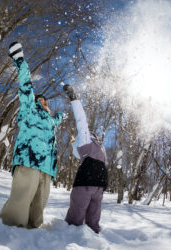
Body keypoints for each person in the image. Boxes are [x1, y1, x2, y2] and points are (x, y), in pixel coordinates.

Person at [0, 42, 63, 229]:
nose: (45, 103)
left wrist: (60, 116)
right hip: (29, 160)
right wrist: (20, 61)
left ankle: (34, 234)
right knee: (20, 202)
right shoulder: (29, 111)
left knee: (38, 208)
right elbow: (26, 88)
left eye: (46, 102)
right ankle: (3, 231)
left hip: (47, 168)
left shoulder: (50, 121)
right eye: (42, 100)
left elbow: (55, 123)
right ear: (36, 102)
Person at [63, 84, 108, 234]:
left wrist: (74, 144)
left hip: (93, 186)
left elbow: (78, 154)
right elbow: (81, 120)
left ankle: (90, 242)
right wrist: (74, 99)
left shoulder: (97, 146)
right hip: (91, 185)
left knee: (87, 223)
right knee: (81, 222)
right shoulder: (87, 140)